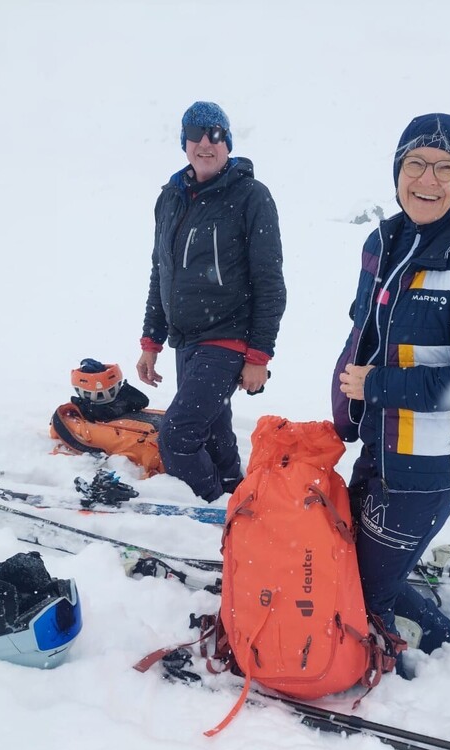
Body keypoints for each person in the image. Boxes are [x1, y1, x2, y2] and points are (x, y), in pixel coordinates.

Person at [332, 113, 450, 656]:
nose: (427, 180)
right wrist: (346, 410)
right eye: (415, 163)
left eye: (444, 167)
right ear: (397, 170)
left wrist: (379, 387)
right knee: (356, 569)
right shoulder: (385, 240)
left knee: (370, 590)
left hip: (426, 466)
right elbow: (365, 330)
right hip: (380, 445)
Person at [137, 101, 286, 503]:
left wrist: (259, 356)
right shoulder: (170, 197)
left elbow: (270, 281)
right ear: (184, 143)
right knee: (214, 435)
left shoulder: (251, 196)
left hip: (227, 336)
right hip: (186, 340)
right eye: (196, 135)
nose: (206, 143)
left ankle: (209, 509)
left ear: (228, 142)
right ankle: (232, 494)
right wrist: (151, 341)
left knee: (178, 436)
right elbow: (162, 272)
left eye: (215, 134)